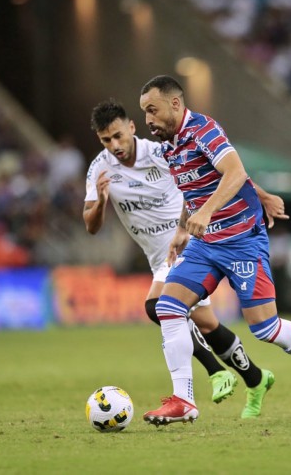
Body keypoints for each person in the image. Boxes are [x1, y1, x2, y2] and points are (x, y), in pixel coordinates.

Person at [138, 75, 291, 426]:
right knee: (168, 307)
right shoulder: (169, 147)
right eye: (144, 112)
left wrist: (207, 212)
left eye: (152, 110)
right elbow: (194, 188)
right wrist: (181, 227)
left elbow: (233, 171)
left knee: (264, 329)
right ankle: (183, 400)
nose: (148, 119)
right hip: (205, 245)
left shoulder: (203, 128)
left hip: (241, 241)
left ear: (175, 104)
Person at [84, 99, 280, 419]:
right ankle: (256, 378)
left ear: (131, 127)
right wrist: (101, 202)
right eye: (107, 140)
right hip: (156, 257)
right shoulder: (100, 169)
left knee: (155, 306)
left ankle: (215, 374)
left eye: (118, 135)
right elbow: (90, 226)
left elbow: (217, 174)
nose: (115, 145)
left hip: (186, 244)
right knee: (208, 325)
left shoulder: (159, 153)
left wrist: (262, 195)